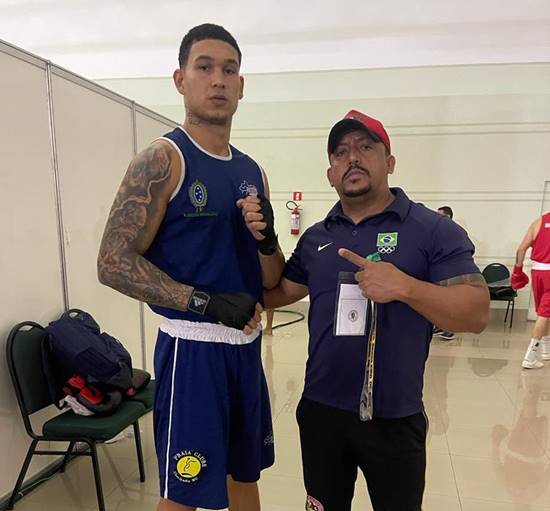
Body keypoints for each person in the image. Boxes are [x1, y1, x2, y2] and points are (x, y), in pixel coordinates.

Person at [97, 23, 284, 511]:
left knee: (243, 477)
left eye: (229, 69)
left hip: (246, 348)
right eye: (205, 67)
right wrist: (203, 302)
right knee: (184, 493)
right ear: (181, 80)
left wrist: (269, 242)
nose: (218, 79)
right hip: (192, 352)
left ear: (241, 85)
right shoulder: (163, 159)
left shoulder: (253, 171)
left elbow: (270, 280)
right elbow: (112, 262)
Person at [265, 109, 489, 511]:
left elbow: (476, 312)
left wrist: (406, 287)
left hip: (394, 416)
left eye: (366, 147)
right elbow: (279, 291)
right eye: (340, 152)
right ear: (330, 173)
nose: (352, 157)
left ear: (390, 162)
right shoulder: (317, 237)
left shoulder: (431, 229)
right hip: (321, 410)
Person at [511, 212, 550, 369]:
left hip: (537, 272)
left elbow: (521, 250)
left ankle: (546, 350)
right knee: (544, 314)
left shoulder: (538, 222)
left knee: (544, 312)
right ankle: (530, 356)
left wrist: (517, 271)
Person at [433, 205, 457, 340]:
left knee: (448, 302)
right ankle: (440, 326)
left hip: (450, 271)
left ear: (447, 217)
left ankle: (449, 329)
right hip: (439, 270)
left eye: (439, 214)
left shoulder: (453, 231)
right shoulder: (439, 230)